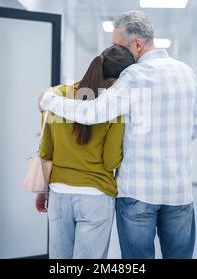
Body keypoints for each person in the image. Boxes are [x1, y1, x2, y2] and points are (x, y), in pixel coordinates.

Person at [39, 11, 197, 259]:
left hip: (138, 194)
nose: (114, 52)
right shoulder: (187, 73)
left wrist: (50, 100)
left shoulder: (133, 76)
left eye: (117, 46)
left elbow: (92, 111)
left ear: (137, 44)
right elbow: (195, 129)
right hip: (179, 192)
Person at [35, 45, 136, 259]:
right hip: (96, 197)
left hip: (59, 194)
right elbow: (110, 161)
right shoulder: (114, 108)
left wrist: (43, 192)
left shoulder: (57, 95)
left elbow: (46, 152)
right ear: (117, 80)